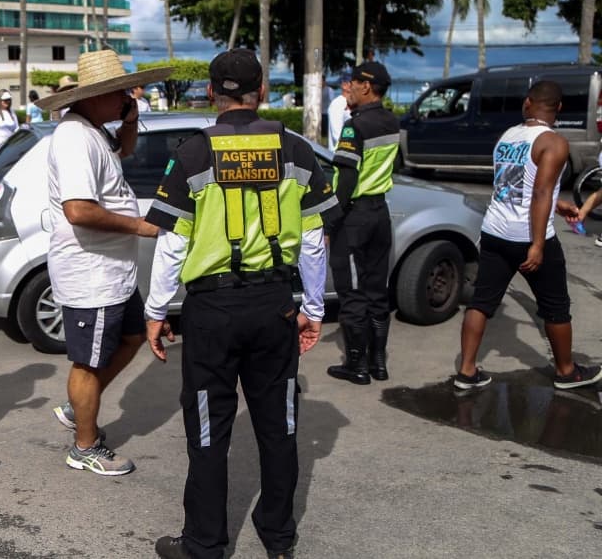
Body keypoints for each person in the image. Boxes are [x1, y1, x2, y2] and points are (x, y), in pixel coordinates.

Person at [142, 49, 336, 559]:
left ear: (212, 93)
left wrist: (157, 311)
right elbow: (314, 240)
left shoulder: (193, 153)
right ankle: (278, 536)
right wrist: (312, 307)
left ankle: (204, 543)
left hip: (211, 311)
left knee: (208, 429)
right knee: (281, 426)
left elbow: (173, 243)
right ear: (262, 92)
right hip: (275, 304)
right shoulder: (295, 150)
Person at [34, 50, 170, 476]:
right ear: (96, 95)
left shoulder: (92, 130)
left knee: (129, 338)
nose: (127, 98)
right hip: (92, 273)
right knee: (88, 363)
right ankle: (85, 446)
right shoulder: (74, 137)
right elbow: (79, 210)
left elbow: (123, 152)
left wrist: (128, 119)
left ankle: (81, 409)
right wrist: (139, 227)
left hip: (112, 274)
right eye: (120, 93)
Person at [454, 80, 602, 391]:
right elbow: (540, 192)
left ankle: (466, 372)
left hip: (494, 231)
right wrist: (536, 244)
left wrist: (557, 206)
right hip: (528, 237)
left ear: (527, 104)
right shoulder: (554, 142)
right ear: (559, 108)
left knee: (481, 303)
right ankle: (567, 372)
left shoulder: (507, 136)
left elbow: (512, 186)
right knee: (556, 306)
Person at [325, 62, 400, 386]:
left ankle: (356, 367)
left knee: (353, 293)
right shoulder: (391, 122)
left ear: (366, 87)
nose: (348, 89)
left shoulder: (355, 127)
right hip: (380, 214)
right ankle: (378, 364)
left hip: (354, 219)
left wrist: (330, 223)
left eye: (352, 83)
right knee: (376, 291)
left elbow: (346, 178)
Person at [326, 72, 352, 151]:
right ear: (344, 85)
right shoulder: (337, 104)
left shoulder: (352, 102)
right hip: (339, 154)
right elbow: (337, 135)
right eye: (352, 83)